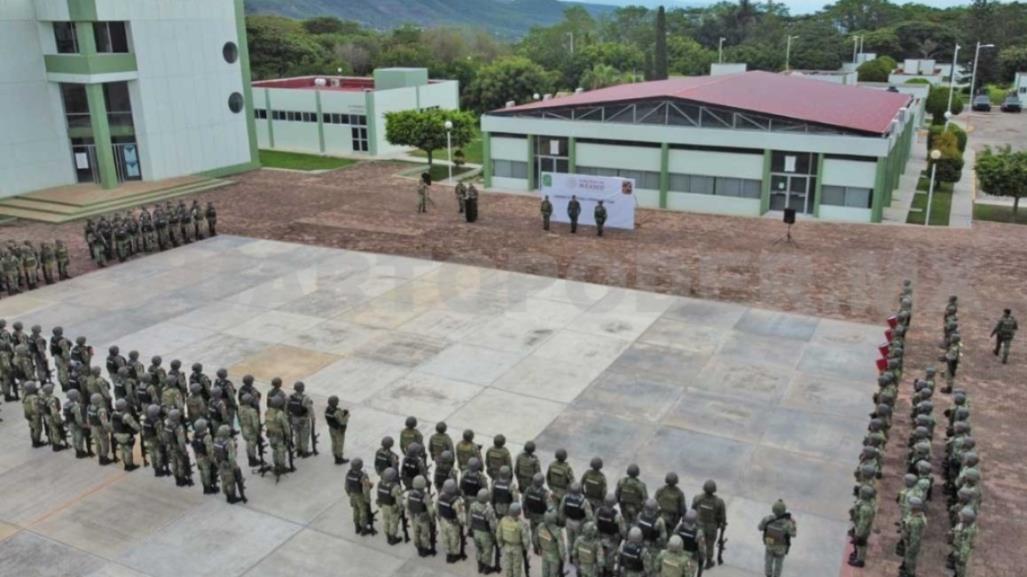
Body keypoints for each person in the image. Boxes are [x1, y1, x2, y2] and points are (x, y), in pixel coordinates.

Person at [692, 480, 727, 570]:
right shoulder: (719, 502)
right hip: (712, 527)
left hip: (699, 525)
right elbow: (723, 518)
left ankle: (697, 558)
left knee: (698, 542)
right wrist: (721, 525)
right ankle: (708, 562)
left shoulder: (698, 498)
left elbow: (693, 510)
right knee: (710, 544)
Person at [758, 499, 796, 577]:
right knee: (778, 565)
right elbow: (793, 534)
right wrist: (793, 523)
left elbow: (760, 528)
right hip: (781, 549)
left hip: (769, 546)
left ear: (773, 509)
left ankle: (768, 575)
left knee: (768, 563)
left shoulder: (767, 519)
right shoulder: (787, 523)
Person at [496, 502, 532, 577]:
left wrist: (500, 544)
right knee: (517, 567)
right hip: (517, 548)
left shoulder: (503, 520)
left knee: (508, 566)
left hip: (506, 546)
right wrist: (527, 549)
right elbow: (525, 539)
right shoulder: (521, 524)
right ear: (519, 513)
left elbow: (498, 534)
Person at [214, 425, 246, 504]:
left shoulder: (216, 440)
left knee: (224, 480)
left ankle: (227, 496)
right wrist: (234, 467)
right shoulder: (229, 442)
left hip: (220, 463)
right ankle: (232, 498)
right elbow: (231, 457)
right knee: (231, 481)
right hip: (228, 464)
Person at [470, 488, 499, 574]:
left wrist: (471, 529)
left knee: (478, 549)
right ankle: (486, 569)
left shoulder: (473, 506)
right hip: (485, 534)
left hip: (476, 531)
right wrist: (495, 535)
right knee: (487, 551)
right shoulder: (489, 510)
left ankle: (480, 566)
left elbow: (469, 519)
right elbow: (492, 525)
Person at [437, 479, 467, 563]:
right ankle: (454, 556)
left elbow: (437, 509)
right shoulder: (457, 500)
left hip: (443, 521)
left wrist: (440, 518)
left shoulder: (440, 496)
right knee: (454, 539)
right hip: (453, 524)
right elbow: (461, 516)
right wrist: (462, 523)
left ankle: (448, 554)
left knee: (445, 537)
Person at [407, 475, 437, 557]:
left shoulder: (410, 494)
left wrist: (411, 516)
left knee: (416, 532)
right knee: (424, 534)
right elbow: (430, 510)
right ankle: (424, 550)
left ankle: (418, 547)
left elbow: (408, 506)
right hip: (423, 519)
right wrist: (433, 519)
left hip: (414, 517)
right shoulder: (425, 496)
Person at [265, 394, 293, 478]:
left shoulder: (268, 411)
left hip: (271, 434)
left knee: (274, 449)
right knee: (281, 451)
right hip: (280, 436)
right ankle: (282, 467)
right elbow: (286, 426)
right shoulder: (280, 414)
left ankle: (276, 464)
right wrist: (289, 436)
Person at [848, 485, 876, 568]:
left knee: (861, 544)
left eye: (862, 492)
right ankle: (858, 556)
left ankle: (860, 560)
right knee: (859, 545)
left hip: (862, 530)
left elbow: (863, 523)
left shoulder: (866, 508)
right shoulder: (864, 503)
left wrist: (858, 535)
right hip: (859, 526)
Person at [346, 458, 375, 536]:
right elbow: (366, 489)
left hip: (352, 494)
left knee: (355, 509)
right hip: (360, 495)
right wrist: (367, 499)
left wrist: (349, 494)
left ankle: (357, 526)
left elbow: (346, 486)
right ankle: (363, 529)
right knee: (363, 512)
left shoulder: (349, 473)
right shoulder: (362, 475)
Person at [377, 468, 406, 545]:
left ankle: (387, 535)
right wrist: (401, 508)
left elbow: (379, 495)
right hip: (392, 507)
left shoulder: (380, 483)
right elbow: (399, 500)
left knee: (386, 520)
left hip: (384, 505)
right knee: (394, 522)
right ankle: (393, 538)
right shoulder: (395, 486)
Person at [899, 497, 926, 577]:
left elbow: (915, 537)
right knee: (908, 559)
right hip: (908, 541)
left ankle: (910, 574)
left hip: (912, 544)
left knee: (910, 560)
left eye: (910, 504)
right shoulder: (913, 514)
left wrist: (911, 548)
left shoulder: (916, 522)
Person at [111, 398, 140, 471]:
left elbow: (112, 424)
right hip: (125, 435)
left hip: (117, 435)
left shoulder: (113, 414)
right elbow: (134, 425)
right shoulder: (126, 416)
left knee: (123, 450)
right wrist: (139, 429)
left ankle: (125, 464)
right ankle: (130, 465)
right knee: (128, 451)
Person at [538, 509, 568, 577]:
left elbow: (536, 539)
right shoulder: (557, 531)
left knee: (545, 571)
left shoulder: (540, 526)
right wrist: (562, 557)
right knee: (553, 573)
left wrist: (539, 548)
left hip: (544, 553)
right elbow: (561, 546)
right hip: (554, 555)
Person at [287, 382, 314, 457]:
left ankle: (298, 450)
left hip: (294, 418)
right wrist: (313, 418)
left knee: (297, 434)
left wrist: (289, 418)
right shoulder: (305, 398)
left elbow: (287, 407)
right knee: (304, 435)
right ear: (302, 388)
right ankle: (304, 452)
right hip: (303, 419)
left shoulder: (290, 397)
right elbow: (310, 409)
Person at [325, 396, 350, 465]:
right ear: (335, 403)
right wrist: (346, 415)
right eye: (337, 401)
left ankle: (335, 455)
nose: (338, 402)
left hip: (331, 428)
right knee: (339, 443)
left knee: (334, 442)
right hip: (338, 430)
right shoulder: (337, 412)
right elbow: (342, 422)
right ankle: (339, 458)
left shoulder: (327, 409)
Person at [22, 381, 44, 447]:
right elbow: (36, 408)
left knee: (32, 428)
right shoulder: (34, 397)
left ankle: (33, 441)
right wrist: (41, 412)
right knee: (38, 428)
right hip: (35, 415)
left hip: (28, 414)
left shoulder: (25, 396)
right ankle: (37, 442)